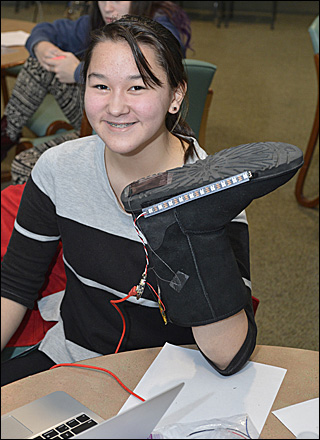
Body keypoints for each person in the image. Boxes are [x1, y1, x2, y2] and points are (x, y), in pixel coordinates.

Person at [1, 14, 256, 386]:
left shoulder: (211, 192)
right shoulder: (59, 168)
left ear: (176, 96)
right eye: (100, 85)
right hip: (71, 362)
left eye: (138, 88)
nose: (116, 107)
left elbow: (228, 356)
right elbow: (14, 287)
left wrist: (194, 229)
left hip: (171, 385)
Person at [1, 1, 192, 165]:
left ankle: (7, 133)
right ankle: (7, 133)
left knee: (25, 162)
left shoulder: (160, 31)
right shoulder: (100, 23)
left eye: (117, 0)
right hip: (96, 117)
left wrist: (77, 72)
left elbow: (161, 78)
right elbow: (44, 30)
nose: (108, 8)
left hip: (140, 126)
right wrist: (42, 47)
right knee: (40, 62)